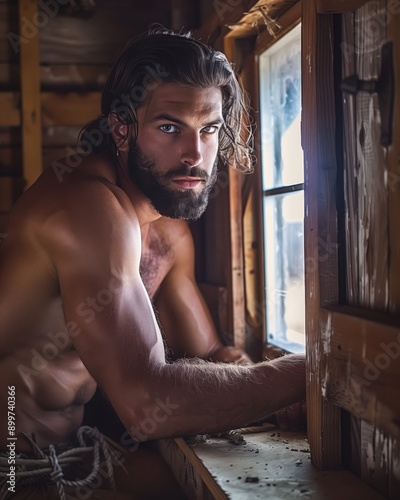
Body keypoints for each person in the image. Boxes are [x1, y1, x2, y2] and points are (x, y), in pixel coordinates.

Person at [0, 28, 305, 499]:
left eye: (209, 130)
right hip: (13, 468)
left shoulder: (165, 233)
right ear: (121, 129)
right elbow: (146, 403)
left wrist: (266, 393)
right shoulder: (84, 207)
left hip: (74, 452)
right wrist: (305, 372)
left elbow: (209, 356)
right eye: (169, 127)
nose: (194, 154)